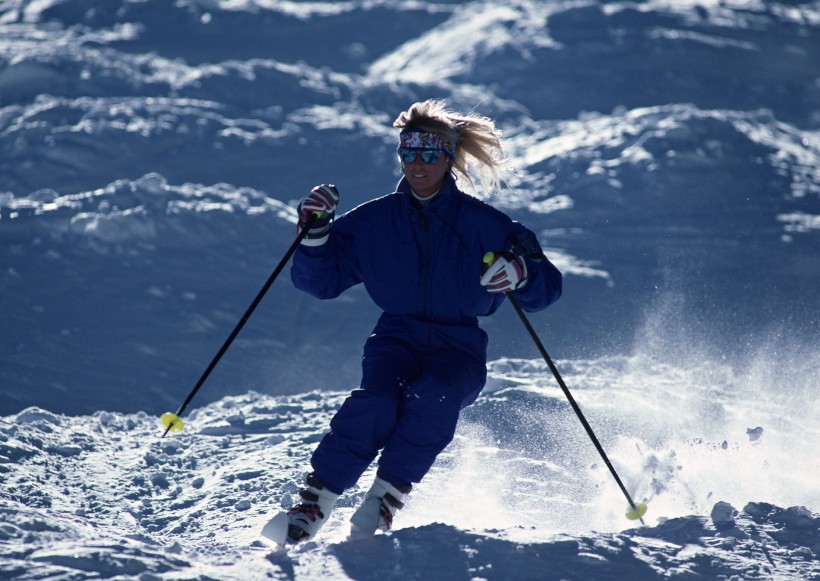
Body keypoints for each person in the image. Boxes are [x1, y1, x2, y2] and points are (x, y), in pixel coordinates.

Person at [280, 99, 562, 543]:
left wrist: (521, 273)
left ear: (448, 158)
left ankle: (386, 496)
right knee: (376, 403)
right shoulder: (375, 221)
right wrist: (314, 237)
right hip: (396, 337)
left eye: (430, 155)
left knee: (436, 396)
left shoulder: (485, 224)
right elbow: (321, 282)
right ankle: (315, 502)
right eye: (408, 154)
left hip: (459, 345)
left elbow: (545, 290)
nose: (418, 165)